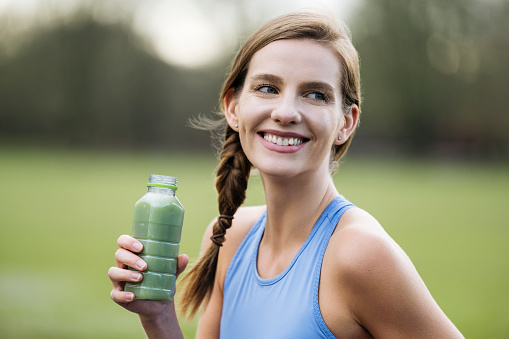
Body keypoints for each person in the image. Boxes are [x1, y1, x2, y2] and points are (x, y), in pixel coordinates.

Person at [108, 11, 464, 338]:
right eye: (267, 88)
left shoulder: (360, 254)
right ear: (233, 107)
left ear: (346, 122)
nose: (286, 111)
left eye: (315, 94)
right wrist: (158, 317)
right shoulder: (231, 239)